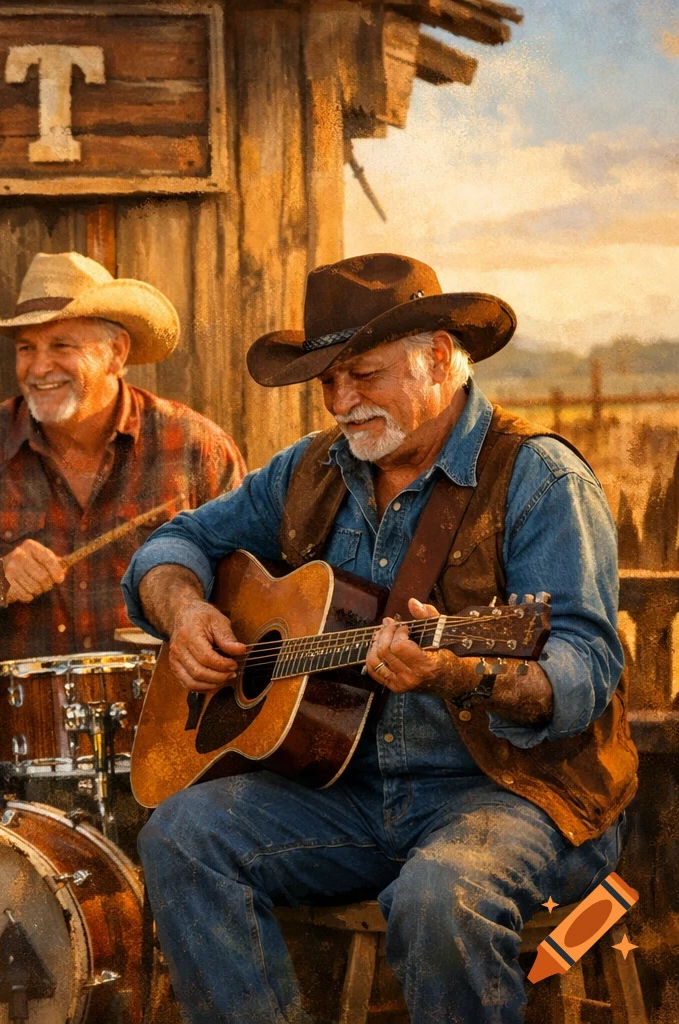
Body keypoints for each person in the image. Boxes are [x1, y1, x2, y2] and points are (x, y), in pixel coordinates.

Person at [123, 252, 635, 1024]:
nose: (340, 400)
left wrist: (463, 674)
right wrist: (186, 613)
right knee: (181, 838)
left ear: (437, 359)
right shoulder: (309, 471)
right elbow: (170, 548)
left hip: (512, 795)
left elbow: (584, 667)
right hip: (348, 796)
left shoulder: (539, 478)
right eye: (328, 380)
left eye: (363, 373)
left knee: (441, 896)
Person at [0, 251, 245, 670]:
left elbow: (250, 587)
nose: (40, 367)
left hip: (168, 710)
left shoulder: (196, 447)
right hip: (9, 723)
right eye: (27, 348)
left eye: (61, 345)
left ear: (116, 353)